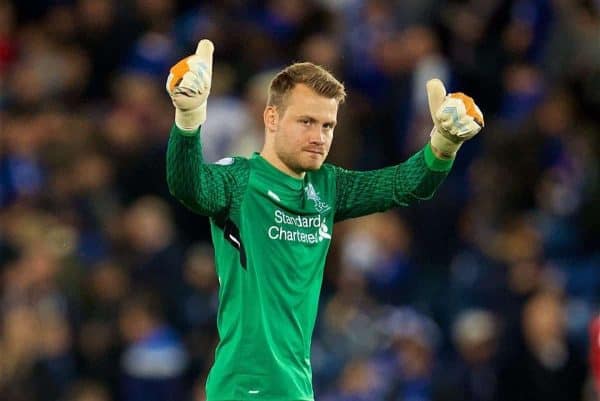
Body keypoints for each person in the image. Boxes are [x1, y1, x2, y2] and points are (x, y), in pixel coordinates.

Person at [165, 39, 484, 401]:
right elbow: (189, 186)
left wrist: (443, 145)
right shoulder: (239, 180)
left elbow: (402, 185)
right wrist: (188, 121)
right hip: (243, 388)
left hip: (298, 388)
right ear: (271, 118)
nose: (319, 137)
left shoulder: (328, 187)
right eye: (306, 122)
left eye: (328, 126)